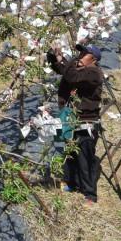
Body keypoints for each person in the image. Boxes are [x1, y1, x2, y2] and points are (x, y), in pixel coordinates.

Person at [46, 43, 105, 203]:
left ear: (93, 59)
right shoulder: (80, 71)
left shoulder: (94, 72)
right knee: (69, 152)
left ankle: (90, 194)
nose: (79, 56)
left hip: (86, 120)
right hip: (69, 118)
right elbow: (63, 71)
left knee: (85, 156)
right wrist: (53, 55)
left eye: (84, 54)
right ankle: (72, 183)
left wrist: (65, 60)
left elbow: (71, 75)